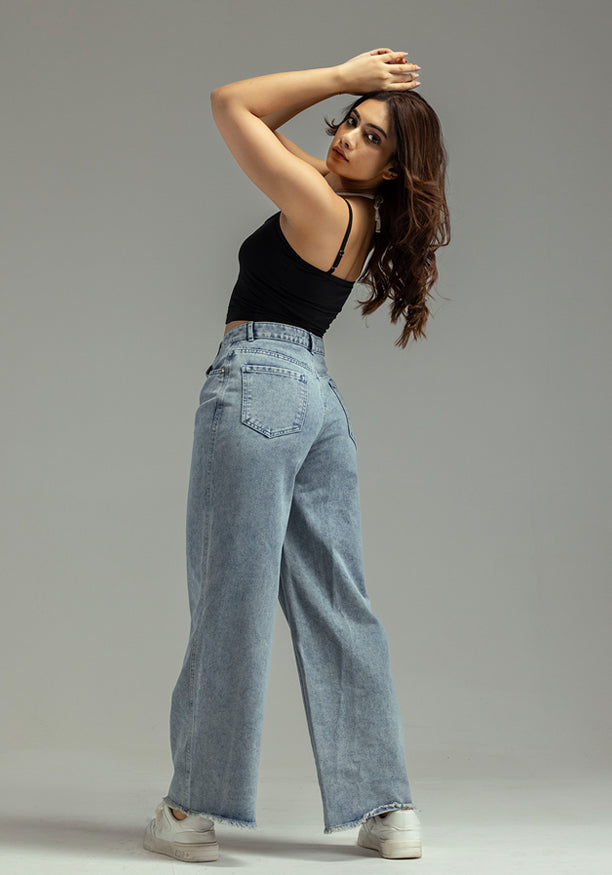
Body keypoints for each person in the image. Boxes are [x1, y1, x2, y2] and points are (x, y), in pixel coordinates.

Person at [143, 47, 450, 863]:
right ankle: (388, 808)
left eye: (371, 136)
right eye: (349, 123)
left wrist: (344, 75)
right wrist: (355, 104)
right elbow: (269, 133)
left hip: (257, 387)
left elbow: (230, 103)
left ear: (395, 168)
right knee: (339, 602)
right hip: (317, 400)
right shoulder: (358, 211)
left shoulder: (319, 200)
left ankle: (191, 811)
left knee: (231, 596)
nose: (346, 136)